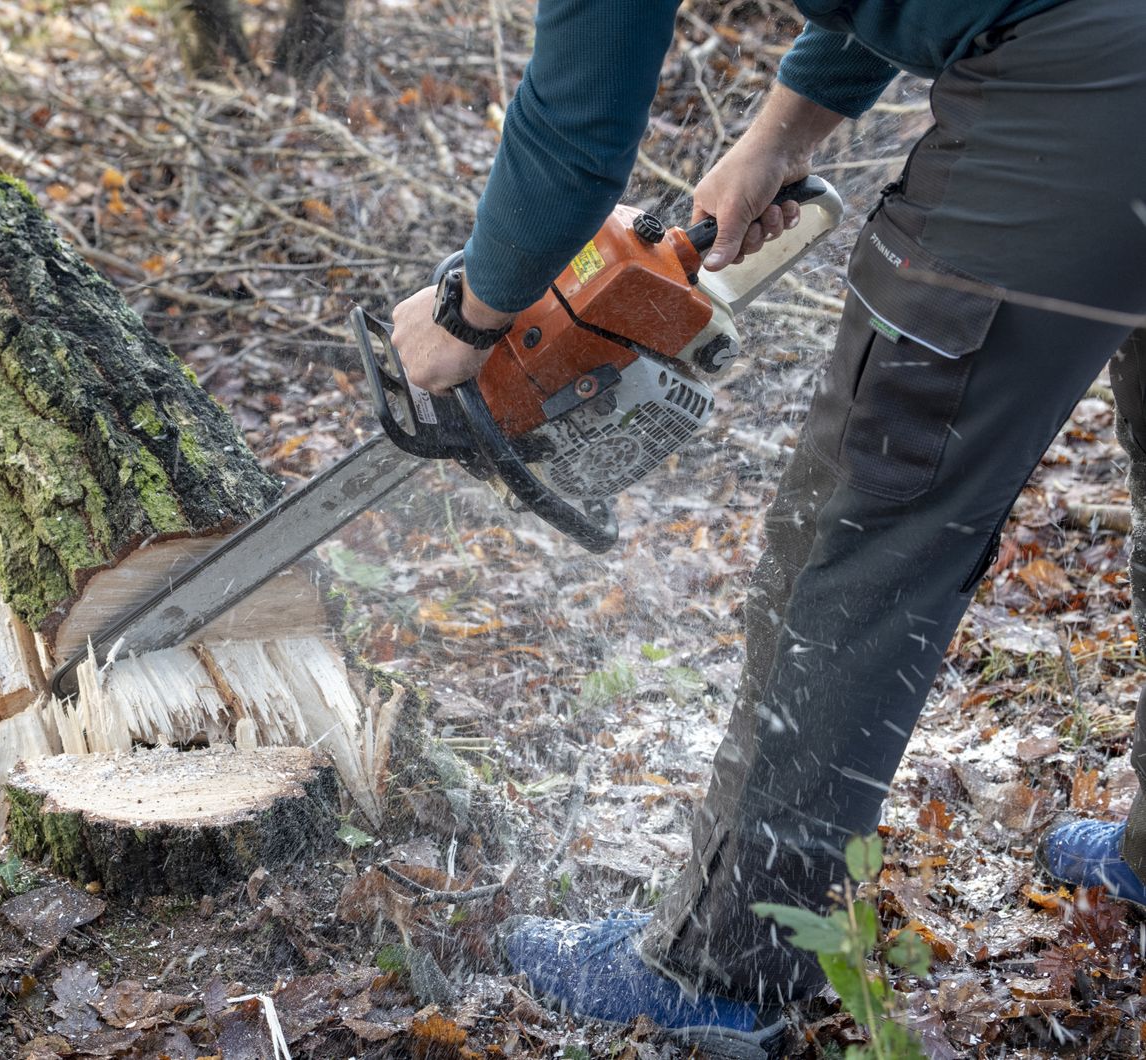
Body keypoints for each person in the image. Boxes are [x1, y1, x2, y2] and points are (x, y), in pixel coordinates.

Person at [389, 0, 1146, 1055]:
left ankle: (721, 963)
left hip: (1086, 84)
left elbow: (576, 131)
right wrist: (777, 139)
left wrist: (472, 313)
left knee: (865, 531)